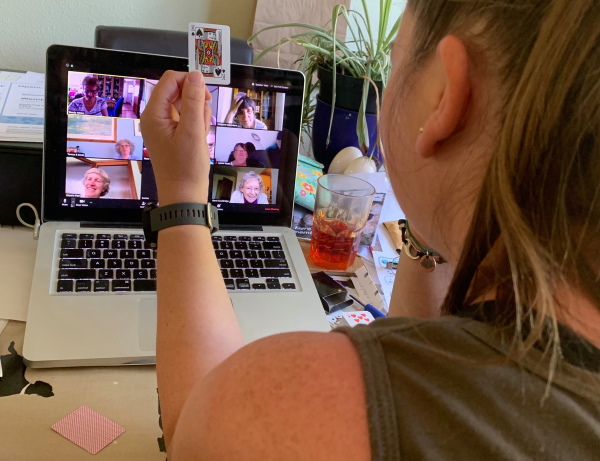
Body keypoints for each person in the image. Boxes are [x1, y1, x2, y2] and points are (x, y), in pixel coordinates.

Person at [139, 0, 600, 458]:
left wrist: (180, 193)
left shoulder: (283, 406)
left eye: (395, 59)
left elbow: (193, 434)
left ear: (445, 94)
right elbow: (421, 360)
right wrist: (435, 210)